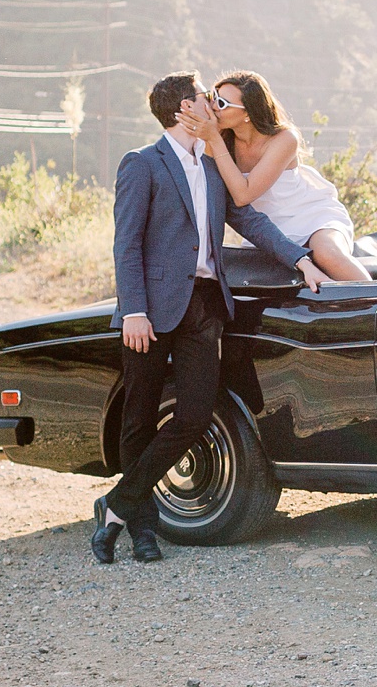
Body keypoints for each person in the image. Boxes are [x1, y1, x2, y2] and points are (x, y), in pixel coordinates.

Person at [95, 72, 328, 566]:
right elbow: (126, 243)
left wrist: (300, 258)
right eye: (206, 97)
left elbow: (251, 221)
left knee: (195, 416)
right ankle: (142, 529)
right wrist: (133, 310)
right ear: (185, 109)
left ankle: (116, 503)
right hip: (151, 310)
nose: (213, 105)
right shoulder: (142, 163)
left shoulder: (212, 163)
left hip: (204, 307)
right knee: (139, 419)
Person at [177, 69, 373, 283]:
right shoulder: (219, 140)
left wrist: (214, 139)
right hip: (266, 231)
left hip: (310, 217)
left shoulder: (284, 139)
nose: (214, 106)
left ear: (248, 114)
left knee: (328, 255)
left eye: (223, 104)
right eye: (213, 96)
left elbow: (243, 195)